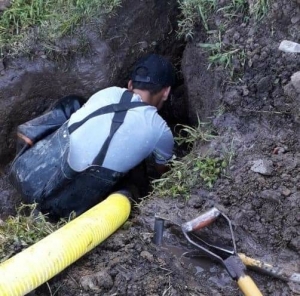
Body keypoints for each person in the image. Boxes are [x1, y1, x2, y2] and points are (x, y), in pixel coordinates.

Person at [9, 54, 175, 220]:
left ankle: (28, 138)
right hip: (56, 212)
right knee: (134, 172)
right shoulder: (160, 130)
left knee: (73, 103)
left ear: (130, 84)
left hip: (25, 173)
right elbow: (164, 173)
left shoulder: (108, 92)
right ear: (166, 92)